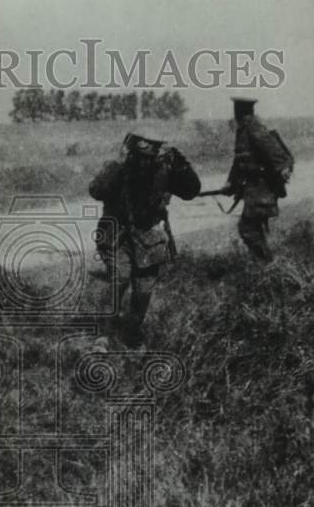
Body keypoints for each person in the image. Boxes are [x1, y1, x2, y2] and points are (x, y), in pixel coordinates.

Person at [89, 132, 201, 346]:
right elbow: (96, 190)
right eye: (139, 156)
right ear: (131, 153)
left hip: (149, 239)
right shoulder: (117, 168)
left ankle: (131, 334)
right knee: (119, 278)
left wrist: (180, 162)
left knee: (143, 290)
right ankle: (104, 335)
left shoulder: (164, 169)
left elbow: (191, 191)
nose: (144, 162)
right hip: (117, 236)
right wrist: (118, 163)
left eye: (149, 155)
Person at [220, 97, 293, 263]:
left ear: (240, 111)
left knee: (248, 229)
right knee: (252, 228)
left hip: (262, 188)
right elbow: (239, 161)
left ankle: (268, 265)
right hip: (253, 189)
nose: (235, 112)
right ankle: (265, 264)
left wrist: (282, 170)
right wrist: (230, 183)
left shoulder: (254, 129)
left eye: (237, 109)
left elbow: (277, 155)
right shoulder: (243, 130)